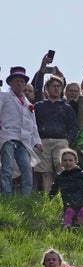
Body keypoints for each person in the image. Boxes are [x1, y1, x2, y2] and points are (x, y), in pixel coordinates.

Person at [0, 66, 44, 195]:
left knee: (27, 168)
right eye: (16, 81)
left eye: (21, 81)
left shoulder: (28, 103)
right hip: (8, 136)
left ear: (24, 83)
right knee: (7, 168)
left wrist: (37, 141)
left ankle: (26, 197)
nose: (19, 83)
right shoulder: (4, 96)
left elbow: (33, 124)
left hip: (23, 140)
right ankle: (6, 195)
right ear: (11, 83)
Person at [33, 75, 79, 193]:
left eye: (59, 86)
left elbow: (73, 127)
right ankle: (48, 197)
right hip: (43, 141)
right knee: (45, 172)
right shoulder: (39, 106)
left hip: (61, 141)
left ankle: (63, 195)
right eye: (54, 86)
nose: (56, 89)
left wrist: (68, 140)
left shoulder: (67, 108)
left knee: (62, 169)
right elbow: (33, 125)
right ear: (47, 88)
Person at [49, 148, 83, 229]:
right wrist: (49, 200)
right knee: (68, 213)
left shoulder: (82, 175)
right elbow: (53, 190)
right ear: (61, 162)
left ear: (76, 161)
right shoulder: (60, 177)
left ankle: (80, 226)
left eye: (70, 160)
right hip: (69, 205)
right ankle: (67, 227)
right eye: (65, 160)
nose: (67, 162)